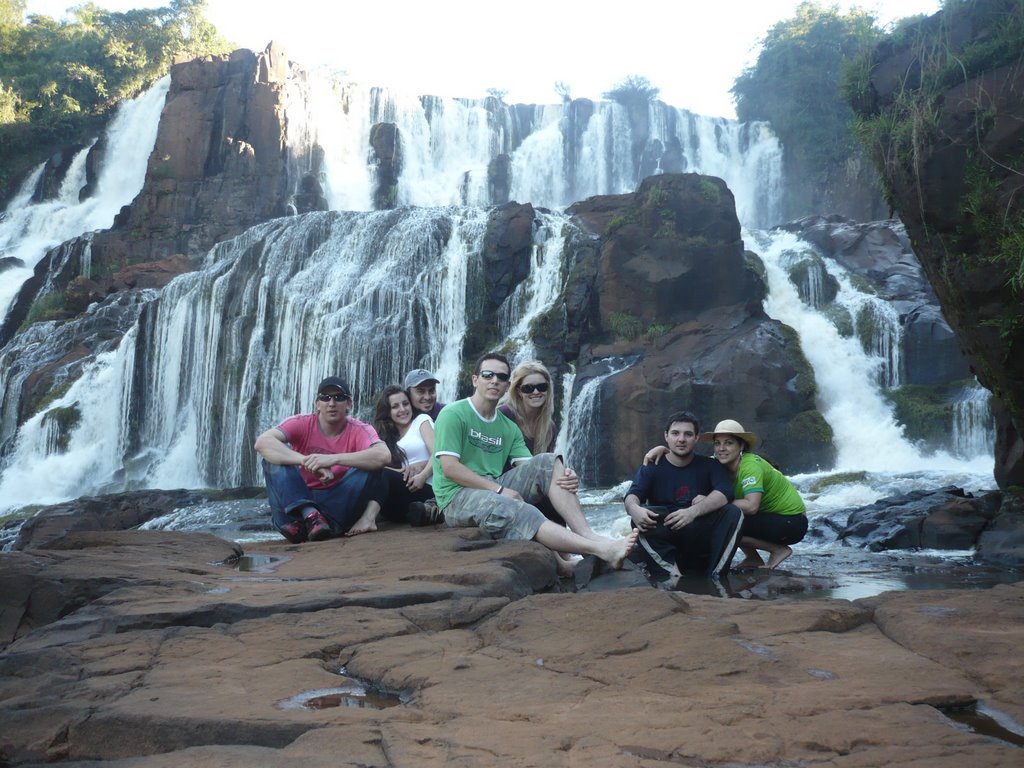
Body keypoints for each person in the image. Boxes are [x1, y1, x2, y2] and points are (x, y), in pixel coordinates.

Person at [432, 351, 638, 574]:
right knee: (518, 508)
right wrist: (500, 490)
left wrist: (564, 475)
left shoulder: (507, 426)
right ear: (475, 380)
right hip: (456, 497)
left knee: (548, 463)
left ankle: (589, 538)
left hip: (491, 486)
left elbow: (532, 466)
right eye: (488, 375)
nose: (494, 380)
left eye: (501, 377)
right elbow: (449, 468)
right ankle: (600, 550)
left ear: (507, 385)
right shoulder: (453, 414)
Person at [254, 376, 390, 542]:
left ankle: (312, 523)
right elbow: (262, 442)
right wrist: (306, 461)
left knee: (373, 466)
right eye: (325, 398)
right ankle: (309, 514)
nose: (331, 403)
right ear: (317, 404)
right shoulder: (301, 423)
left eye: (339, 398)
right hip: (291, 513)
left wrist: (332, 460)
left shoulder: (359, 429)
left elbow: (383, 455)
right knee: (272, 459)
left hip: (335, 509)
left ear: (349, 404)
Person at [625, 411, 743, 580]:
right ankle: (672, 574)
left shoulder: (711, 465)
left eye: (688, 434)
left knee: (733, 512)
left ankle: (716, 576)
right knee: (640, 518)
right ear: (666, 436)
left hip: (701, 542)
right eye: (675, 433)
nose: (681, 439)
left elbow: (725, 492)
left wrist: (691, 512)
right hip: (667, 543)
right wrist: (634, 509)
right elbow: (632, 495)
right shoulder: (652, 466)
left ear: (696, 438)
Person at [700, 419, 807, 570]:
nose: (721, 448)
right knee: (722, 515)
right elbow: (690, 463)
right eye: (717, 443)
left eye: (729, 443)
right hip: (768, 518)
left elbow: (751, 507)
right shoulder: (716, 463)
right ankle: (753, 558)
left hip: (791, 522)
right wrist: (661, 450)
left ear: (741, 445)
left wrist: (712, 502)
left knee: (723, 519)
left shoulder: (750, 466)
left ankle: (778, 550)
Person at [498, 360, 580, 523]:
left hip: (530, 487)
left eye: (542, 387)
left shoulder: (548, 427)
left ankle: (572, 544)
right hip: (501, 486)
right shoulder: (503, 416)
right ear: (518, 391)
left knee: (563, 485)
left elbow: (544, 468)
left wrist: (568, 474)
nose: (536, 392)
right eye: (528, 388)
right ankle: (585, 537)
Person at [367, 384, 440, 530]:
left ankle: (368, 519)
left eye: (405, 404)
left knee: (383, 473)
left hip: (427, 488)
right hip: (401, 497)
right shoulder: (385, 438)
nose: (402, 409)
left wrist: (423, 475)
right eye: (395, 406)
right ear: (388, 412)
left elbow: (438, 453)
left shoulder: (421, 421)